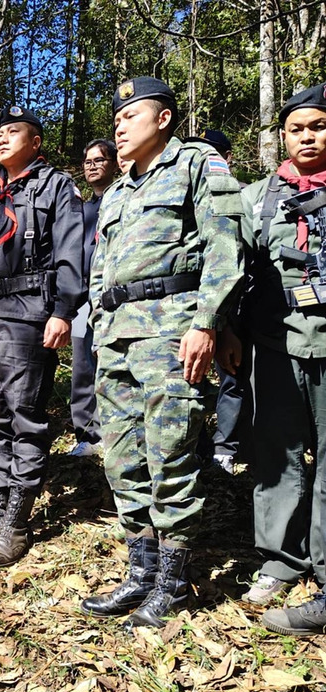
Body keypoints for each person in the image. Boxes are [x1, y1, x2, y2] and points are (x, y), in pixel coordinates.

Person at [80, 77, 244, 628]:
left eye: (131, 116)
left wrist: (206, 323)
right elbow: (101, 268)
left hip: (171, 332)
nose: (119, 127)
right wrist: (99, 324)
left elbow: (225, 247)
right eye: (116, 119)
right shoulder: (116, 191)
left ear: (164, 118)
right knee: (122, 458)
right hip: (117, 338)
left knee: (170, 454)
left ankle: (172, 583)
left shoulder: (195, 164)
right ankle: (141, 572)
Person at [0, 105, 86, 566]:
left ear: (35, 141)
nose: (2, 138)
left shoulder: (55, 186)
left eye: (13, 131)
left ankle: (18, 521)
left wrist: (63, 309)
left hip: (27, 316)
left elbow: (71, 251)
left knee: (24, 416)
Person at [225, 83, 326, 628]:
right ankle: (280, 561)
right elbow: (229, 268)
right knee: (276, 455)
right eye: (296, 129)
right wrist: (227, 330)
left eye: (319, 126)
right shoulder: (256, 197)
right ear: (282, 136)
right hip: (275, 344)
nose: (307, 137)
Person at [183, 129, 251, 476]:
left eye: (210, 150)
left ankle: (226, 446)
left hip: (233, 300)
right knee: (188, 377)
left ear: (226, 157)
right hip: (187, 302)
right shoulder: (183, 188)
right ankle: (197, 447)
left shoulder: (240, 194)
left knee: (231, 376)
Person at [68, 139, 118, 458]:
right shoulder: (82, 211)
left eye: (99, 160)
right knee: (83, 368)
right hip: (82, 300)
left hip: (115, 298)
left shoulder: (124, 200)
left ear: (114, 164)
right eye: (87, 161)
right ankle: (88, 434)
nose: (92, 166)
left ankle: (117, 431)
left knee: (112, 364)